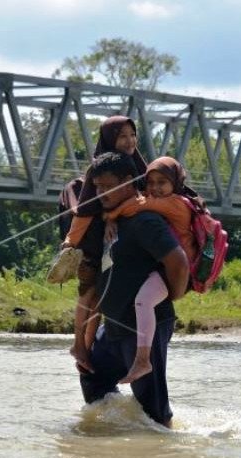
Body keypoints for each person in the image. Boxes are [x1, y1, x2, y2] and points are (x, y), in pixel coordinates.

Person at [77, 152, 189, 428]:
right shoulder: (110, 220)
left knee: (154, 409)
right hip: (114, 328)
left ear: (128, 182)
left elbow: (178, 262)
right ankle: (116, 431)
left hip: (143, 329)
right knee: (92, 373)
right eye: (97, 187)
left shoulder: (146, 220)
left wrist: (172, 295)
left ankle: (162, 447)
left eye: (107, 186)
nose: (100, 192)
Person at [57, 116, 149, 372]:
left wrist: (114, 216)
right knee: (89, 293)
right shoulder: (98, 167)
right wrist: (70, 244)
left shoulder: (135, 165)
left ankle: (85, 349)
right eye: (122, 136)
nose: (129, 141)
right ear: (110, 139)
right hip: (93, 243)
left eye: (132, 135)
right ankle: (79, 345)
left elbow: (142, 194)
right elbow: (85, 210)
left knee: (100, 297)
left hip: (114, 243)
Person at [103, 156, 199, 384]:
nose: (154, 188)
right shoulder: (168, 200)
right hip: (168, 269)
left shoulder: (176, 203)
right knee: (143, 300)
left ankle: (143, 360)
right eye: (150, 182)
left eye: (162, 182)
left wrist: (110, 216)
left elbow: (138, 204)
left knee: (143, 302)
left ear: (175, 184)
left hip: (179, 271)